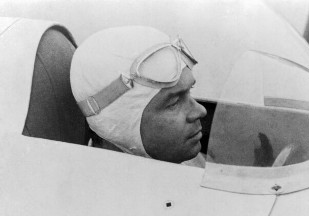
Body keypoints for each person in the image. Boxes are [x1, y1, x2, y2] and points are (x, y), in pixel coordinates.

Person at [70, 26, 207, 167]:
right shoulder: (95, 187)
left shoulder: (190, 162)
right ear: (120, 122)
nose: (201, 111)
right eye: (174, 103)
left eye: (189, 90)